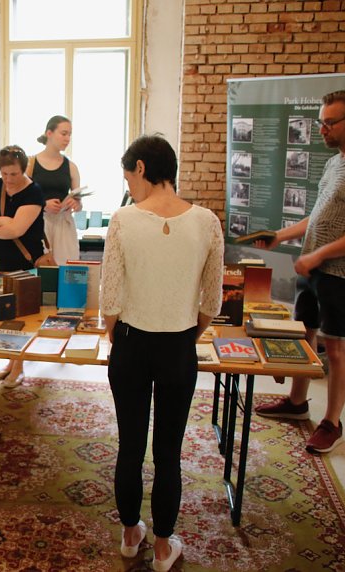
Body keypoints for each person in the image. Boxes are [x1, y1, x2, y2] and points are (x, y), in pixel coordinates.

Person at [100, 135, 223, 572]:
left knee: (130, 446)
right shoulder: (207, 221)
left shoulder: (123, 220)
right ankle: (165, 546)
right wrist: (188, 334)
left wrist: (118, 335)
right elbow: (213, 301)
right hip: (178, 346)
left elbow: (109, 298)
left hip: (131, 344)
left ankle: (132, 534)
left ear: (139, 168)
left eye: (128, 176)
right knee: (169, 451)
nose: (129, 185)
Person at [254, 90, 345, 455]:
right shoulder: (335, 163)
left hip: (343, 274)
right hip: (312, 267)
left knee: (336, 346)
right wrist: (280, 236)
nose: (323, 131)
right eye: (322, 123)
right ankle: (297, 403)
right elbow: (320, 216)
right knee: (305, 334)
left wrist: (319, 257)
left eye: (330, 123)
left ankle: (332, 423)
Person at [0, 145, 46, 388]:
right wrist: (2, 220)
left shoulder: (34, 193)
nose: (8, 179)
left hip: (24, 264)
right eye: (4, 174)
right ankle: (10, 363)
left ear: (23, 170)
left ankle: (19, 367)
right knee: (3, 316)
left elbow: (17, 230)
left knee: (22, 318)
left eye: (13, 174)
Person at [26, 115, 82, 265]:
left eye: (69, 134)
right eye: (64, 134)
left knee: (67, 269)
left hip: (64, 223)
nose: (67, 138)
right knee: (42, 269)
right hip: (39, 223)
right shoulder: (30, 164)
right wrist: (44, 205)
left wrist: (76, 204)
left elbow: (79, 200)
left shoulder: (71, 166)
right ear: (49, 133)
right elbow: (23, 199)